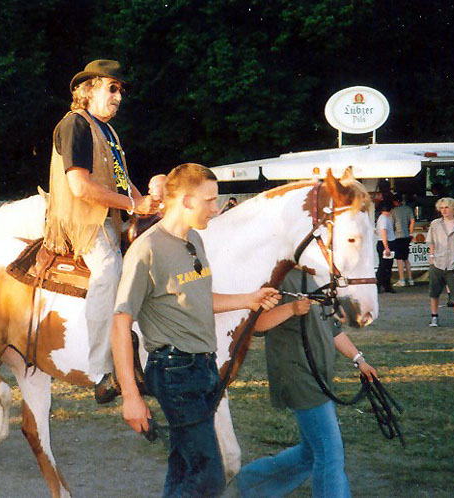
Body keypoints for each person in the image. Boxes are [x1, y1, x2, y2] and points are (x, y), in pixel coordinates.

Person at [111, 163, 281, 497]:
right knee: (208, 474)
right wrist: (130, 396)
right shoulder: (147, 250)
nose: (216, 208)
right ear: (186, 201)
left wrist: (250, 299)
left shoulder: (195, 241)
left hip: (203, 367)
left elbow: (200, 298)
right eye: (210, 200)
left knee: (185, 467)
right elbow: (120, 323)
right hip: (175, 370)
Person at [43, 59, 159, 402]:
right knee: (108, 271)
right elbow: (79, 187)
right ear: (88, 89)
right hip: (80, 222)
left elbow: (122, 180)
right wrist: (134, 206)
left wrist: (149, 203)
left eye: (120, 90)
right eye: (112, 87)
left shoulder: (107, 131)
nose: (119, 96)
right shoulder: (75, 125)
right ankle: (99, 369)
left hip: (108, 221)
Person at [233, 268, 378, 498]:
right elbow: (256, 323)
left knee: (311, 452)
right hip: (298, 376)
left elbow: (333, 329)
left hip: (319, 377)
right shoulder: (277, 276)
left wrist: (359, 360)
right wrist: (291, 308)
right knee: (330, 453)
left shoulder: (316, 275)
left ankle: (250, 484)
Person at [426, 197, 454, 327]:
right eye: (441, 208)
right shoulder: (435, 224)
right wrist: (432, 256)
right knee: (434, 291)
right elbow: (431, 241)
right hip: (438, 262)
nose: (444, 210)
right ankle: (434, 316)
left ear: (452, 209)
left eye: (446, 207)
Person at [391, 194, 415, 287]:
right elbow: (413, 220)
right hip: (407, 236)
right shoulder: (408, 209)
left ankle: (402, 279)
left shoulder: (394, 211)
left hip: (398, 236)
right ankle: (410, 279)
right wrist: (411, 232)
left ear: (395, 202)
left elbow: (392, 225)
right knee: (406, 259)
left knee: (399, 259)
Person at [375, 200, 396, 293]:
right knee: (384, 266)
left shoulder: (381, 218)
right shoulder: (384, 219)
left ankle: (385, 285)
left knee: (386, 265)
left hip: (383, 242)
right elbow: (384, 232)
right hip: (386, 243)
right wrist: (386, 247)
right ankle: (380, 284)